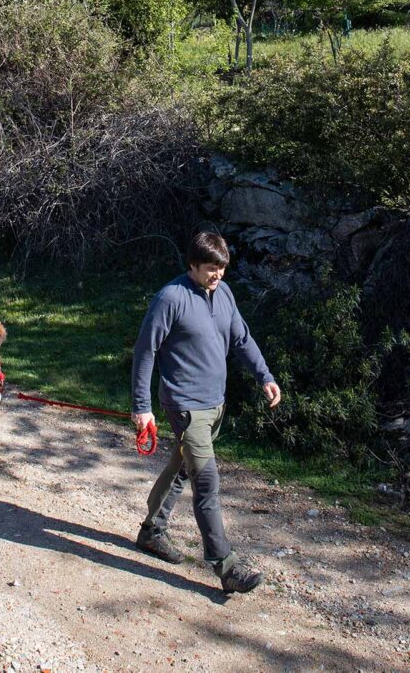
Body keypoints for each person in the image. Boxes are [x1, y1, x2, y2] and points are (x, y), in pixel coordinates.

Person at [130, 231, 282, 593]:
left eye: (222, 269)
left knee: (182, 468)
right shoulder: (171, 298)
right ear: (192, 265)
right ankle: (226, 567)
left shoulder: (223, 294)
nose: (217, 275)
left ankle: (152, 531)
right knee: (207, 483)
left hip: (216, 404)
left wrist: (265, 375)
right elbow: (145, 352)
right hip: (185, 407)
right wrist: (142, 407)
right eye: (211, 269)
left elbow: (242, 338)